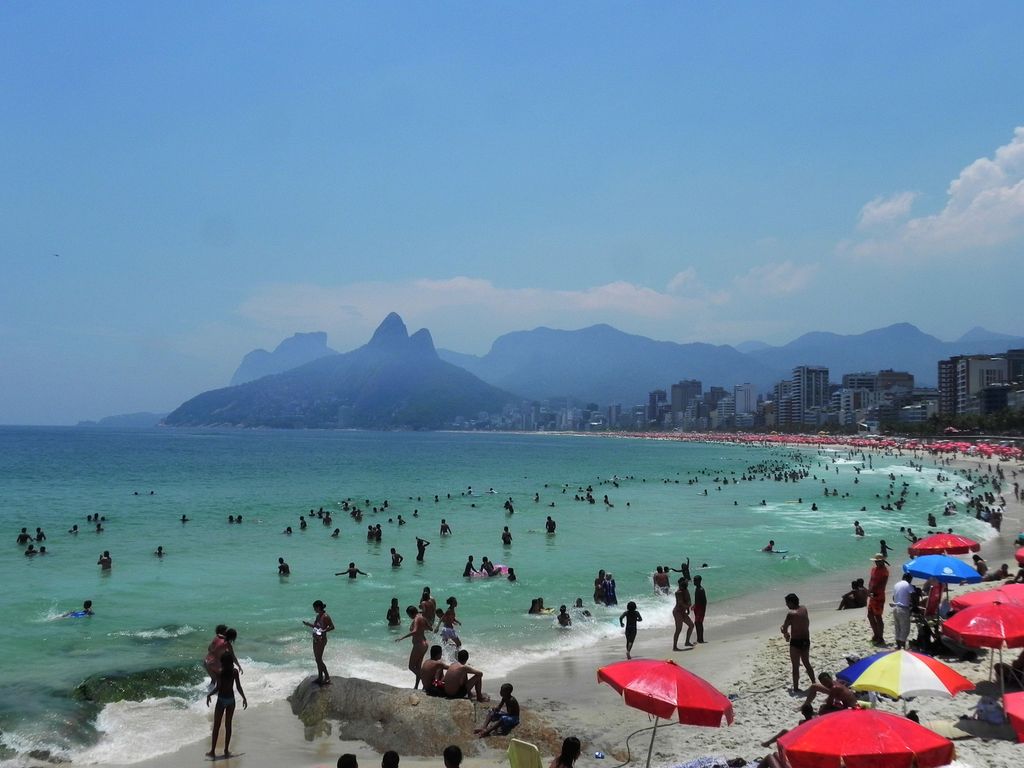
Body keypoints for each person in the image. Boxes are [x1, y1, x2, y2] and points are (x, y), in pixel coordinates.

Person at [205, 651, 247, 759]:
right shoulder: (234, 672)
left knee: (217, 726)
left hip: (221, 700)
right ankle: (226, 750)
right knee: (228, 725)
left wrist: (209, 694)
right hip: (231, 700)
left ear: (223, 662)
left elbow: (218, 688)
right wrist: (244, 698)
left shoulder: (220, 672)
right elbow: (238, 686)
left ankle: (213, 751)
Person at [781, 592, 814, 692]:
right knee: (807, 663)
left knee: (795, 666)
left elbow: (785, 628)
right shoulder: (804, 609)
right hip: (806, 640)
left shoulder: (791, 614)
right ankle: (814, 682)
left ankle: (795, 688)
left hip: (796, 642)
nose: (786, 605)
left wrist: (785, 634)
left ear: (791, 602)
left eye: (787, 603)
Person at [395, 605, 429, 689]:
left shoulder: (416, 619)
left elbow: (415, 631)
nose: (409, 617)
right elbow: (430, 628)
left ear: (411, 613)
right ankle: (417, 686)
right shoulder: (422, 618)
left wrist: (402, 638)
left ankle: (425, 681)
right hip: (425, 644)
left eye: (408, 615)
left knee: (411, 666)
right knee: (417, 667)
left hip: (419, 645)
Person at [302, 600, 335, 685]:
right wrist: (308, 624)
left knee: (319, 659)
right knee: (317, 660)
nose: (314, 610)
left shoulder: (326, 616)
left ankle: (327, 677)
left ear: (318, 607)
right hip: (316, 639)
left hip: (321, 640)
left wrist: (324, 630)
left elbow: (332, 627)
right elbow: (316, 627)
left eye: (314, 608)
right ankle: (320, 677)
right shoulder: (318, 616)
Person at [867, 553, 889, 645]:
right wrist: (869, 591)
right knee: (870, 615)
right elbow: (871, 581)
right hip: (872, 595)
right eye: (876, 561)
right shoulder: (873, 570)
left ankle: (880, 637)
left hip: (878, 595)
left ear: (882, 561)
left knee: (878, 617)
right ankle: (876, 634)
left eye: (878, 561)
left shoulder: (884, 571)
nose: (877, 563)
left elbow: (882, 584)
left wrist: (874, 592)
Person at [891, 573, 915, 649]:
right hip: (903, 609)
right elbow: (913, 596)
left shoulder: (896, 585)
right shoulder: (908, 585)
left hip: (895, 607)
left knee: (897, 627)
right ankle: (903, 647)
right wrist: (914, 606)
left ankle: (898, 646)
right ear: (909, 579)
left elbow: (894, 597)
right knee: (905, 628)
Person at [672, 577, 695, 650]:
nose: (687, 584)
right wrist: (688, 606)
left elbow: (687, 599)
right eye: (685, 583)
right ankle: (674, 647)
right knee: (678, 629)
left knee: (691, 625)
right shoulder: (678, 592)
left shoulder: (685, 590)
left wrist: (687, 609)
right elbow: (681, 603)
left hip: (683, 611)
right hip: (678, 612)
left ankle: (687, 641)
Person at [692, 574, 707, 643]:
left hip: (700, 609)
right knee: (697, 623)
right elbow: (697, 600)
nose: (694, 582)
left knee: (699, 623)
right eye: (694, 580)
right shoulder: (697, 588)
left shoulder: (701, 589)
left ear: (699, 581)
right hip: (697, 608)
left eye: (695, 581)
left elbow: (704, 601)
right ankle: (699, 639)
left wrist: (702, 610)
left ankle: (701, 639)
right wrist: (694, 605)